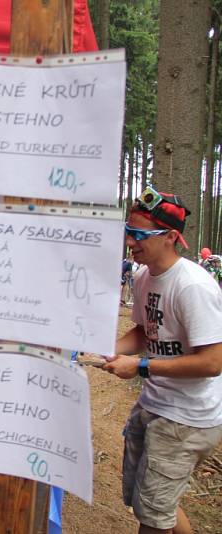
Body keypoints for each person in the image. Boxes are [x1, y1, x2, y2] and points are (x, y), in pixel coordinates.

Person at [103, 188, 222, 534]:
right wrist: (112, 349)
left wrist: (140, 367)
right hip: (155, 404)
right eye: (128, 231)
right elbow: (144, 332)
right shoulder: (143, 276)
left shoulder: (193, 287)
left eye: (139, 234)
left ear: (171, 237)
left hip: (187, 418)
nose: (129, 241)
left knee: (153, 518)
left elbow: (213, 362)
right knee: (154, 504)